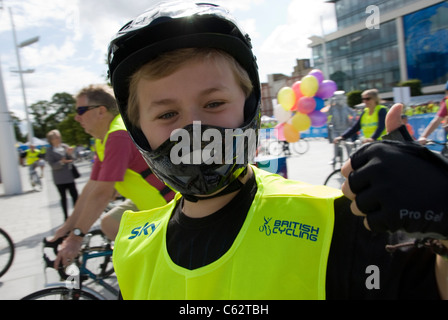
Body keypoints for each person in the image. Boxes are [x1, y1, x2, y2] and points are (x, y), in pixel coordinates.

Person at [107, 2, 448, 299]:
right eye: (167, 114)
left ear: (250, 105)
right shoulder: (133, 249)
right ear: (138, 130)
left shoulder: (334, 221)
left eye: (214, 103)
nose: (194, 130)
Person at [51, 84, 175, 268]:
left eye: (81, 110)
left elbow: (103, 193)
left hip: (170, 206)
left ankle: (158, 266)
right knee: (109, 223)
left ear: (101, 111)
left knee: (142, 258)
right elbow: (91, 188)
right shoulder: (103, 139)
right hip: (147, 202)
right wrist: (68, 227)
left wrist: (76, 238)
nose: (77, 117)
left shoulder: (118, 135)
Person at [45, 129, 79, 221]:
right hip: (59, 179)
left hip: (69, 176)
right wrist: (61, 162)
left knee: (75, 196)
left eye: (59, 137)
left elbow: (73, 159)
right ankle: (66, 217)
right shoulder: (49, 151)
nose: (59, 139)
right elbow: (52, 165)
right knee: (63, 198)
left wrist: (70, 154)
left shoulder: (65, 147)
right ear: (51, 140)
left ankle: (77, 215)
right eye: (56, 137)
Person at [327, 91, 355, 163]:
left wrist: (352, 120)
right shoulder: (332, 108)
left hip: (345, 129)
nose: (339, 101)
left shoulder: (345, 107)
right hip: (336, 129)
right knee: (336, 143)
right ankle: (335, 158)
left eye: (341, 99)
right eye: (337, 99)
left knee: (348, 145)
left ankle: (350, 159)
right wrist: (330, 103)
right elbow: (327, 115)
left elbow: (353, 113)